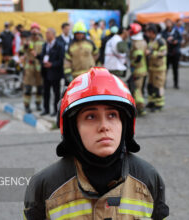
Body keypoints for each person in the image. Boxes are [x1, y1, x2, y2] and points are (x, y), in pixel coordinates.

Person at [23, 67, 169, 219]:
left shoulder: (149, 178)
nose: (104, 126)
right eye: (91, 116)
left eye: (112, 115)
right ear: (73, 128)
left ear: (124, 124)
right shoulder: (44, 186)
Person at [40, 28, 64, 117]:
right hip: (45, 72)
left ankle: (56, 110)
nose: (46, 35)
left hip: (55, 73)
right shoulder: (45, 45)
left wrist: (52, 64)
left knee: (56, 93)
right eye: (46, 33)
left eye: (48, 33)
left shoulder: (59, 45)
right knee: (46, 92)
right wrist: (39, 57)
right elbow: (43, 56)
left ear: (53, 34)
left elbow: (61, 60)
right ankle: (46, 109)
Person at [22, 23, 45, 113]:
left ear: (39, 31)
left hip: (39, 68)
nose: (34, 31)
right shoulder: (27, 41)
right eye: (33, 29)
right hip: (29, 68)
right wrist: (26, 45)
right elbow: (22, 50)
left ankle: (38, 104)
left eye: (36, 29)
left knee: (40, 87)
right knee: (28, 87)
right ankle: (27, 105)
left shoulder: (42, 41)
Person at [145, 23, 167, 111]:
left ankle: (159, 104)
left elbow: (163, 53)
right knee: (150, 86)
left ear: (152, 32)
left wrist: (151, 53)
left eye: (148, 32)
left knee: (158, 86)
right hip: (151, 68)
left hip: (159, 69)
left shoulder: (160, 41)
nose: (146, 34)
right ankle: (151, 102)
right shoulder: (151, 40)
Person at [129, 23, 148, 116]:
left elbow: (139, 56)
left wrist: (133, 64)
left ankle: (141, 107)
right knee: (139, 88)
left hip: (137, 70)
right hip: (143, 69)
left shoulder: (136, 43)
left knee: (136, 89)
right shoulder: (143, 41)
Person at [162, 19, 182, 89]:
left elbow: (180, 39)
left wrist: (176, 41)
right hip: (167, 52)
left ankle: (176, 84)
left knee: (175, 69)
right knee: (165, 69)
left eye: (169, 23)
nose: (168, 24)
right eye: (166, 23)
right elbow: (162, 40)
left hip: (175, 52)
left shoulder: (176, 31)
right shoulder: (164, 32)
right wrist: (166, 40)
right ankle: (163, 83)